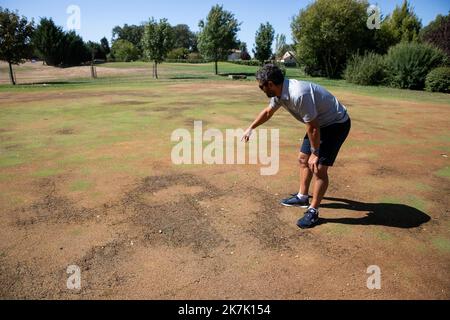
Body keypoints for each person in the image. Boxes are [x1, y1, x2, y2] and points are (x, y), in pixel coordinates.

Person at [242, 64, 351, 229]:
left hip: (336, 124)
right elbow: (268, 112)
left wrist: (316, 152)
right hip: (319, 124)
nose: (260, 89)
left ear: (270, 84)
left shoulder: (299, 94)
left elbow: (313, 127)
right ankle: (302, 196)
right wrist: (251, 127)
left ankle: (313, 211)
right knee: (303, 159)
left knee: (319, 168)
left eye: (261, 86)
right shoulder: (279, 94)